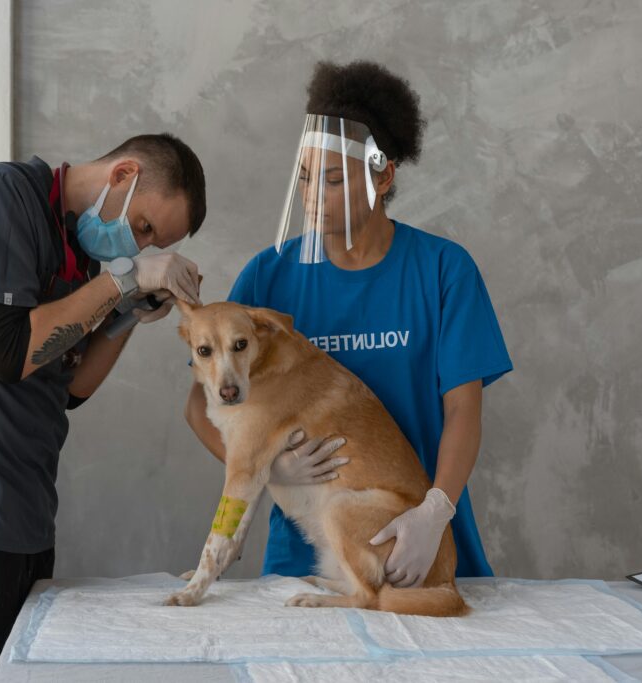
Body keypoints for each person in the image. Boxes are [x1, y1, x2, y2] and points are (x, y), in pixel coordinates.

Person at [0, 133, 206, 682]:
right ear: (123, 175)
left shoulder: (81, 255)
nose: (141, 245)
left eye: (154, 243)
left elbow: (71, 389)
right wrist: (125, 280)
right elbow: (12, 354)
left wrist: (126, 314)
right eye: (145, 228)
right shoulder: (3, 195)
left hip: (24, 511)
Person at [185, 60, 512, 588]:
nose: (312, 196)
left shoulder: (444, 271)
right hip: (308, 564)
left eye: (333, 179)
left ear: (382, 175)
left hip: (418, 543)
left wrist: (434, 512)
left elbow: (463, 413)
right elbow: (202, 407)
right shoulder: (268, 277)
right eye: (306, 178)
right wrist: (270, 469)